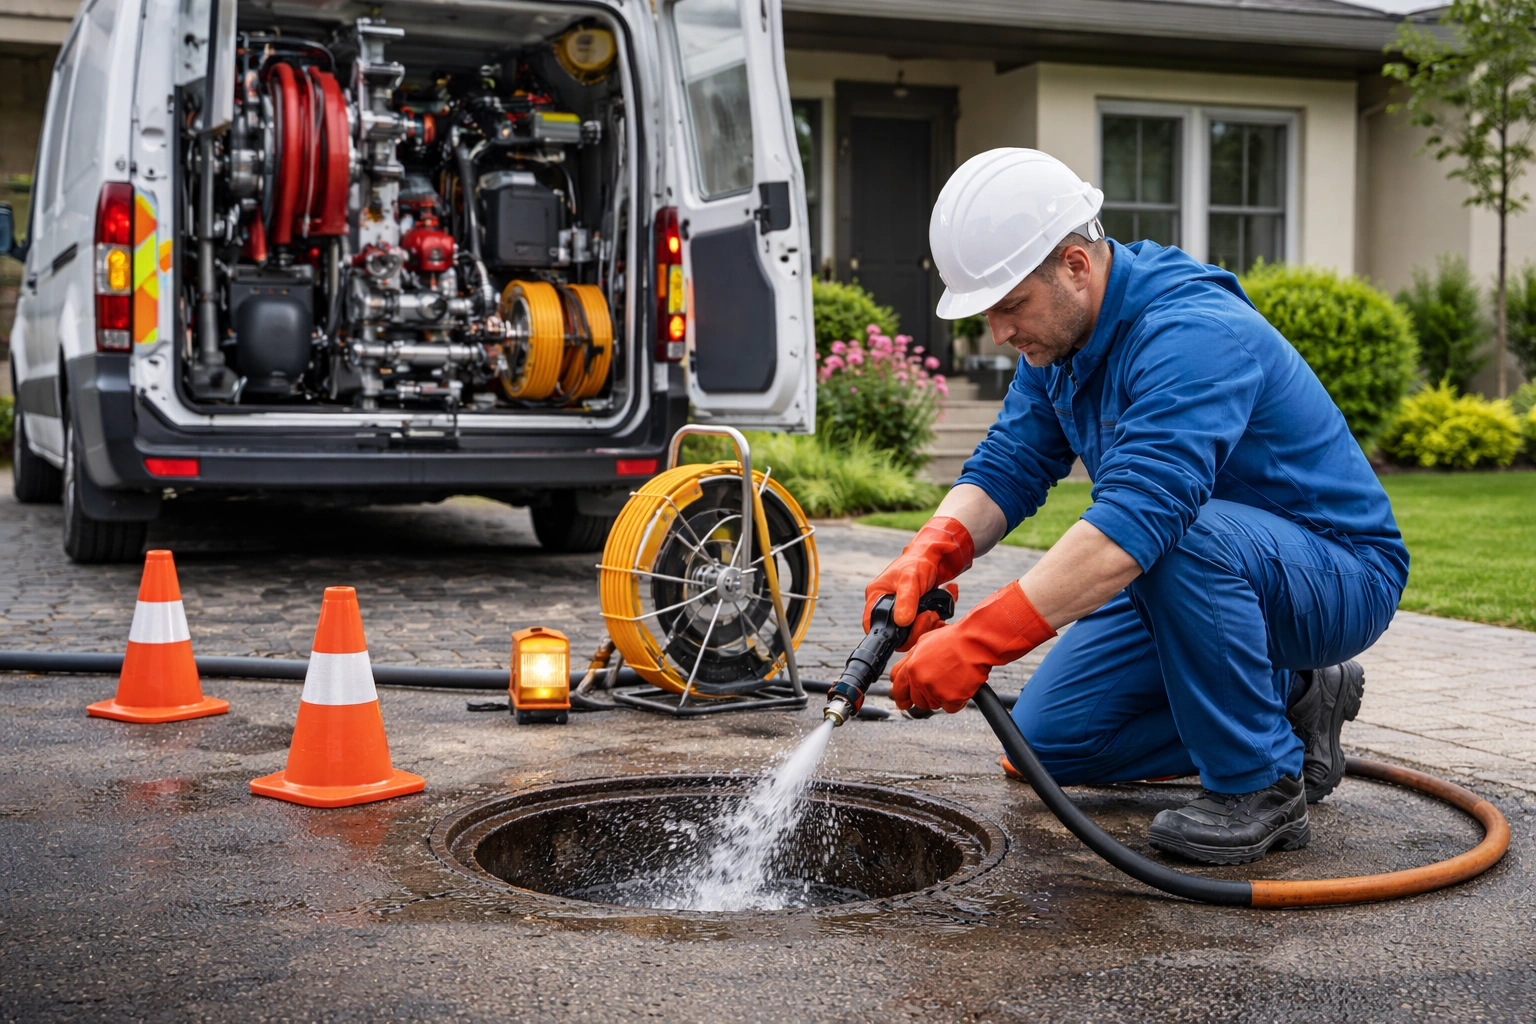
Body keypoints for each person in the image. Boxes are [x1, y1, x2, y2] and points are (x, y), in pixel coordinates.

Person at [872, 148, 1407, 865]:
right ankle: (1293, 698)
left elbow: (1137, 525)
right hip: (1202, 569)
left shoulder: (1191, 333)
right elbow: (1011, 464)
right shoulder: (1058, 345)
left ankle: (1260, 783)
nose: (998, 333)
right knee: (1045, 743)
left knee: (1173, 535)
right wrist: (930, 551)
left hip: (1336, 573)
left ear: (1076, 265)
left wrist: (976, 642)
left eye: (1009, 306)